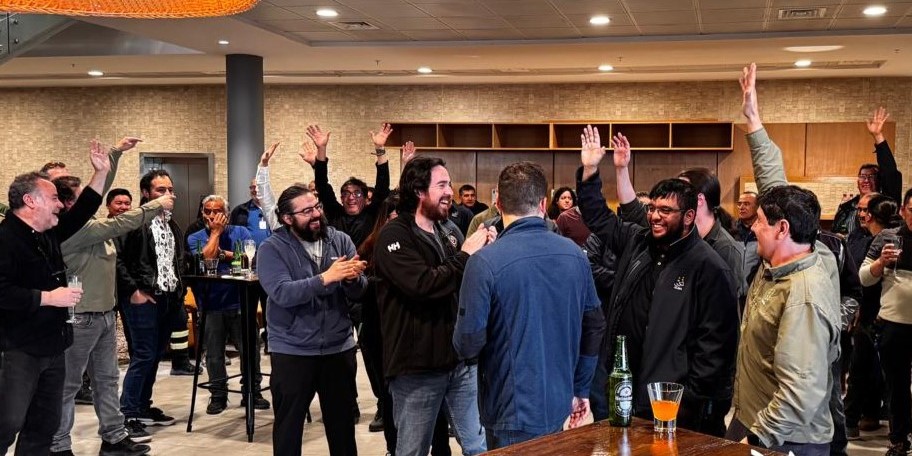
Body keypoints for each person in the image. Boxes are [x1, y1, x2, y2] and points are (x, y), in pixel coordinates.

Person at [576, 126, 738, 437]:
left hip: (672, 406)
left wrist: (688, 402)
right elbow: (597, 216)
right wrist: (591, 170)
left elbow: (715, 350)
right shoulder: (638, 241)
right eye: (652, 208)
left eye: (665, 210)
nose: (654, 216)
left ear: (688, 217)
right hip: (626, 390)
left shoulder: (709, 267)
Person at [729, 62, 841, 455]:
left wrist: (756, 440)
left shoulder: (803, 294)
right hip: (755, 418)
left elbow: (800, 391)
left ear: (782, 229)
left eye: (760, 221)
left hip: (785, 438)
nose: (753, 227)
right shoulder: (787, 254)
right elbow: (774, 183)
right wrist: (754, 122)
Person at [454, 161, 606, 449]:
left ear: (498, 204)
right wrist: (581, 387)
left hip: (509, 409)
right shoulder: (575, 255)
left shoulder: (483, 262)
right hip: (560, 399)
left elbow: (467, 343)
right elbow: (595, 325)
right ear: (544, 203)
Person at [373, 156, 493, 456]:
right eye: (441, 185)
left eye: (449, 184)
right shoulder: (394, 235)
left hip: (459, 361)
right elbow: (422, 284)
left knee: (478, 446)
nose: (450, 192)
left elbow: (463, 282)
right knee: (412, 450)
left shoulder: (448, 231)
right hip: (417, 368)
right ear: (418, 191)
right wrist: (466, 255)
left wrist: (483, 255)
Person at [0, 141, 109, 455]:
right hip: (19, 349)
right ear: (30, 201)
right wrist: (48, 297)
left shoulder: (48, 233)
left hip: (54, 346)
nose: (60, 205)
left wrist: (101, 173)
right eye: (53, 199)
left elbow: (82, 211)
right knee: (7, 423)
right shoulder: (5, 239)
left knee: (43, 426)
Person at [51, 172, 172, 456]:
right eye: (83, 195)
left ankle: (114, 438)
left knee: (107, 381)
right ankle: (58, 446)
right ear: (69, 204)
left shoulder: (92, 225)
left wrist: (113, 157)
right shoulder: (74, 229)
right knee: (68, 386)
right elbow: (121, 223)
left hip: (105, 314)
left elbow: (104, 198)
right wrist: (157, 204)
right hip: (80, 317)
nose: (91, 198)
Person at [257, 184, 367, 456]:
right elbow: (282, 293)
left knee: (343, 430)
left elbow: (359, 292)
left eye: (316, 206)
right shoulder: (272, 248)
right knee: (289, 430)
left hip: (338, 348)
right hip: (292, 351)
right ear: (287, 218)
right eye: (306, 211)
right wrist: (326, 278)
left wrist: (353, 279)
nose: (316, 214)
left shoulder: (340, 240)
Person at [358, 191, 453, 455]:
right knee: (393, 399)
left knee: (433, 408)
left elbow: (434, 281)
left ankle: (439, 448)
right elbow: (420, 283)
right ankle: (393, 446)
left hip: (424, 333)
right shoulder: (376, 243)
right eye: (396, 216)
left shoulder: (433, 237)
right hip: (383, 329)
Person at [186, 195, 269, 415]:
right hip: (211, 303)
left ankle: (252, 391)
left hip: (241, 300)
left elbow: (249, 258)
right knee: (214, 354)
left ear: (227, 214)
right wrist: (216, 234)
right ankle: (218, 395)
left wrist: (222, 254)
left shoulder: (241, 232)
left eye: (217, 211)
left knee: (250, 350)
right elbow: (205, 260)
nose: (212, 216)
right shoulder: (195, 237)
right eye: (207, 211)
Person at [116, 169, 185, 429]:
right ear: (146, 193)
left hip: (167, 298)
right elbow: (117, 259)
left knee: (155, 355)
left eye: (170, 190)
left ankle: (142, 406)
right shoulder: (134, 221)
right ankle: (128, 413)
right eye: (161, 190)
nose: (168, 195)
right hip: (142, 297)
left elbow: (175, 261)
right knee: (143, 355)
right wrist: (133, 290)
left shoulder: (171, 223)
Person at [859, 189, 912, 456]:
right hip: (893, 324)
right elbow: (864, 277)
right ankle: (899, 440)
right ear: (903, 211)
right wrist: (881, 262)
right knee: (897, 386)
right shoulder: (888, 238)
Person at [844, 193, 896, 439]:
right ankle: (852, 419)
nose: (862, 214)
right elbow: (856, 276)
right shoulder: (856, 237)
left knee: (880, 370)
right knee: (859, 367)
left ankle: (873, 416)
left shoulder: (888, 239)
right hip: (864, 308)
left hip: (883, 311)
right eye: (860, 209)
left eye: (866, 210)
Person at [303, 123, 392, 248]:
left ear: (366, 199)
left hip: (367, 260)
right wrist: (321, 149)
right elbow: (322, 184)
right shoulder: (335, 214)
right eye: (346, 193)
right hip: (338, 260)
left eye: (357, 193)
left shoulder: (371, 214)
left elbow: (382, 185)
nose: (351, 198)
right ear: (341, 198)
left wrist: (379, 148)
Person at [832, 107, 902, 237]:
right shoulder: (846, 207)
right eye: (862, 176)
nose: (866, 180)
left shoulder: (886, 204)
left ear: (879, 179)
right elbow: (834, 233)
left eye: (871, 176)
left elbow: (890, 172)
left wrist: (878, 136)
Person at [736, 191, 761, 300]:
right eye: (739, 204)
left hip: (755, 295)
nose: (741, 207)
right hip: (734, 295)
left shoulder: (763, 232)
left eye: (746, 204)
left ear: (757, 207)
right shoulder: (731, 230)